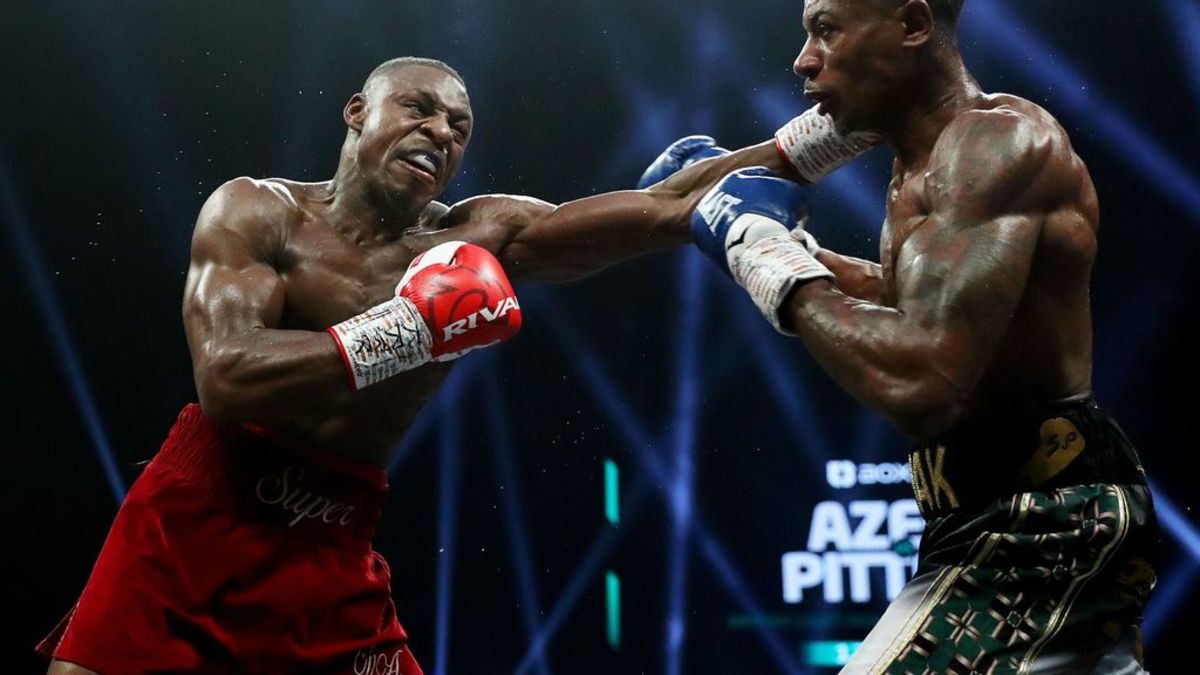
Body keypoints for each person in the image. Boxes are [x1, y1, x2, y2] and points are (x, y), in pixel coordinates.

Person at [38, 56, 873, 675]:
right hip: (194, 527)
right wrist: (409, 328)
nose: (440, 131)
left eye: (459, 127)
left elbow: (666, 203)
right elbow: (227, 379)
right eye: (419, 108)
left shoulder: (476, 235)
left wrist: (838, 130)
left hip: (334, 547)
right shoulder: (260, 210)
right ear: (357, 111)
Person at [657, 0, 1158, 672]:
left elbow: (926, 378)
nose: (803, 60)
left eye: (825, 31)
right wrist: (794, 246)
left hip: (1042, 518)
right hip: (994, 514)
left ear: (914, 26)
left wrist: (766, 255)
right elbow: (921, 299)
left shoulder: (996, 143)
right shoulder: (921, 163)